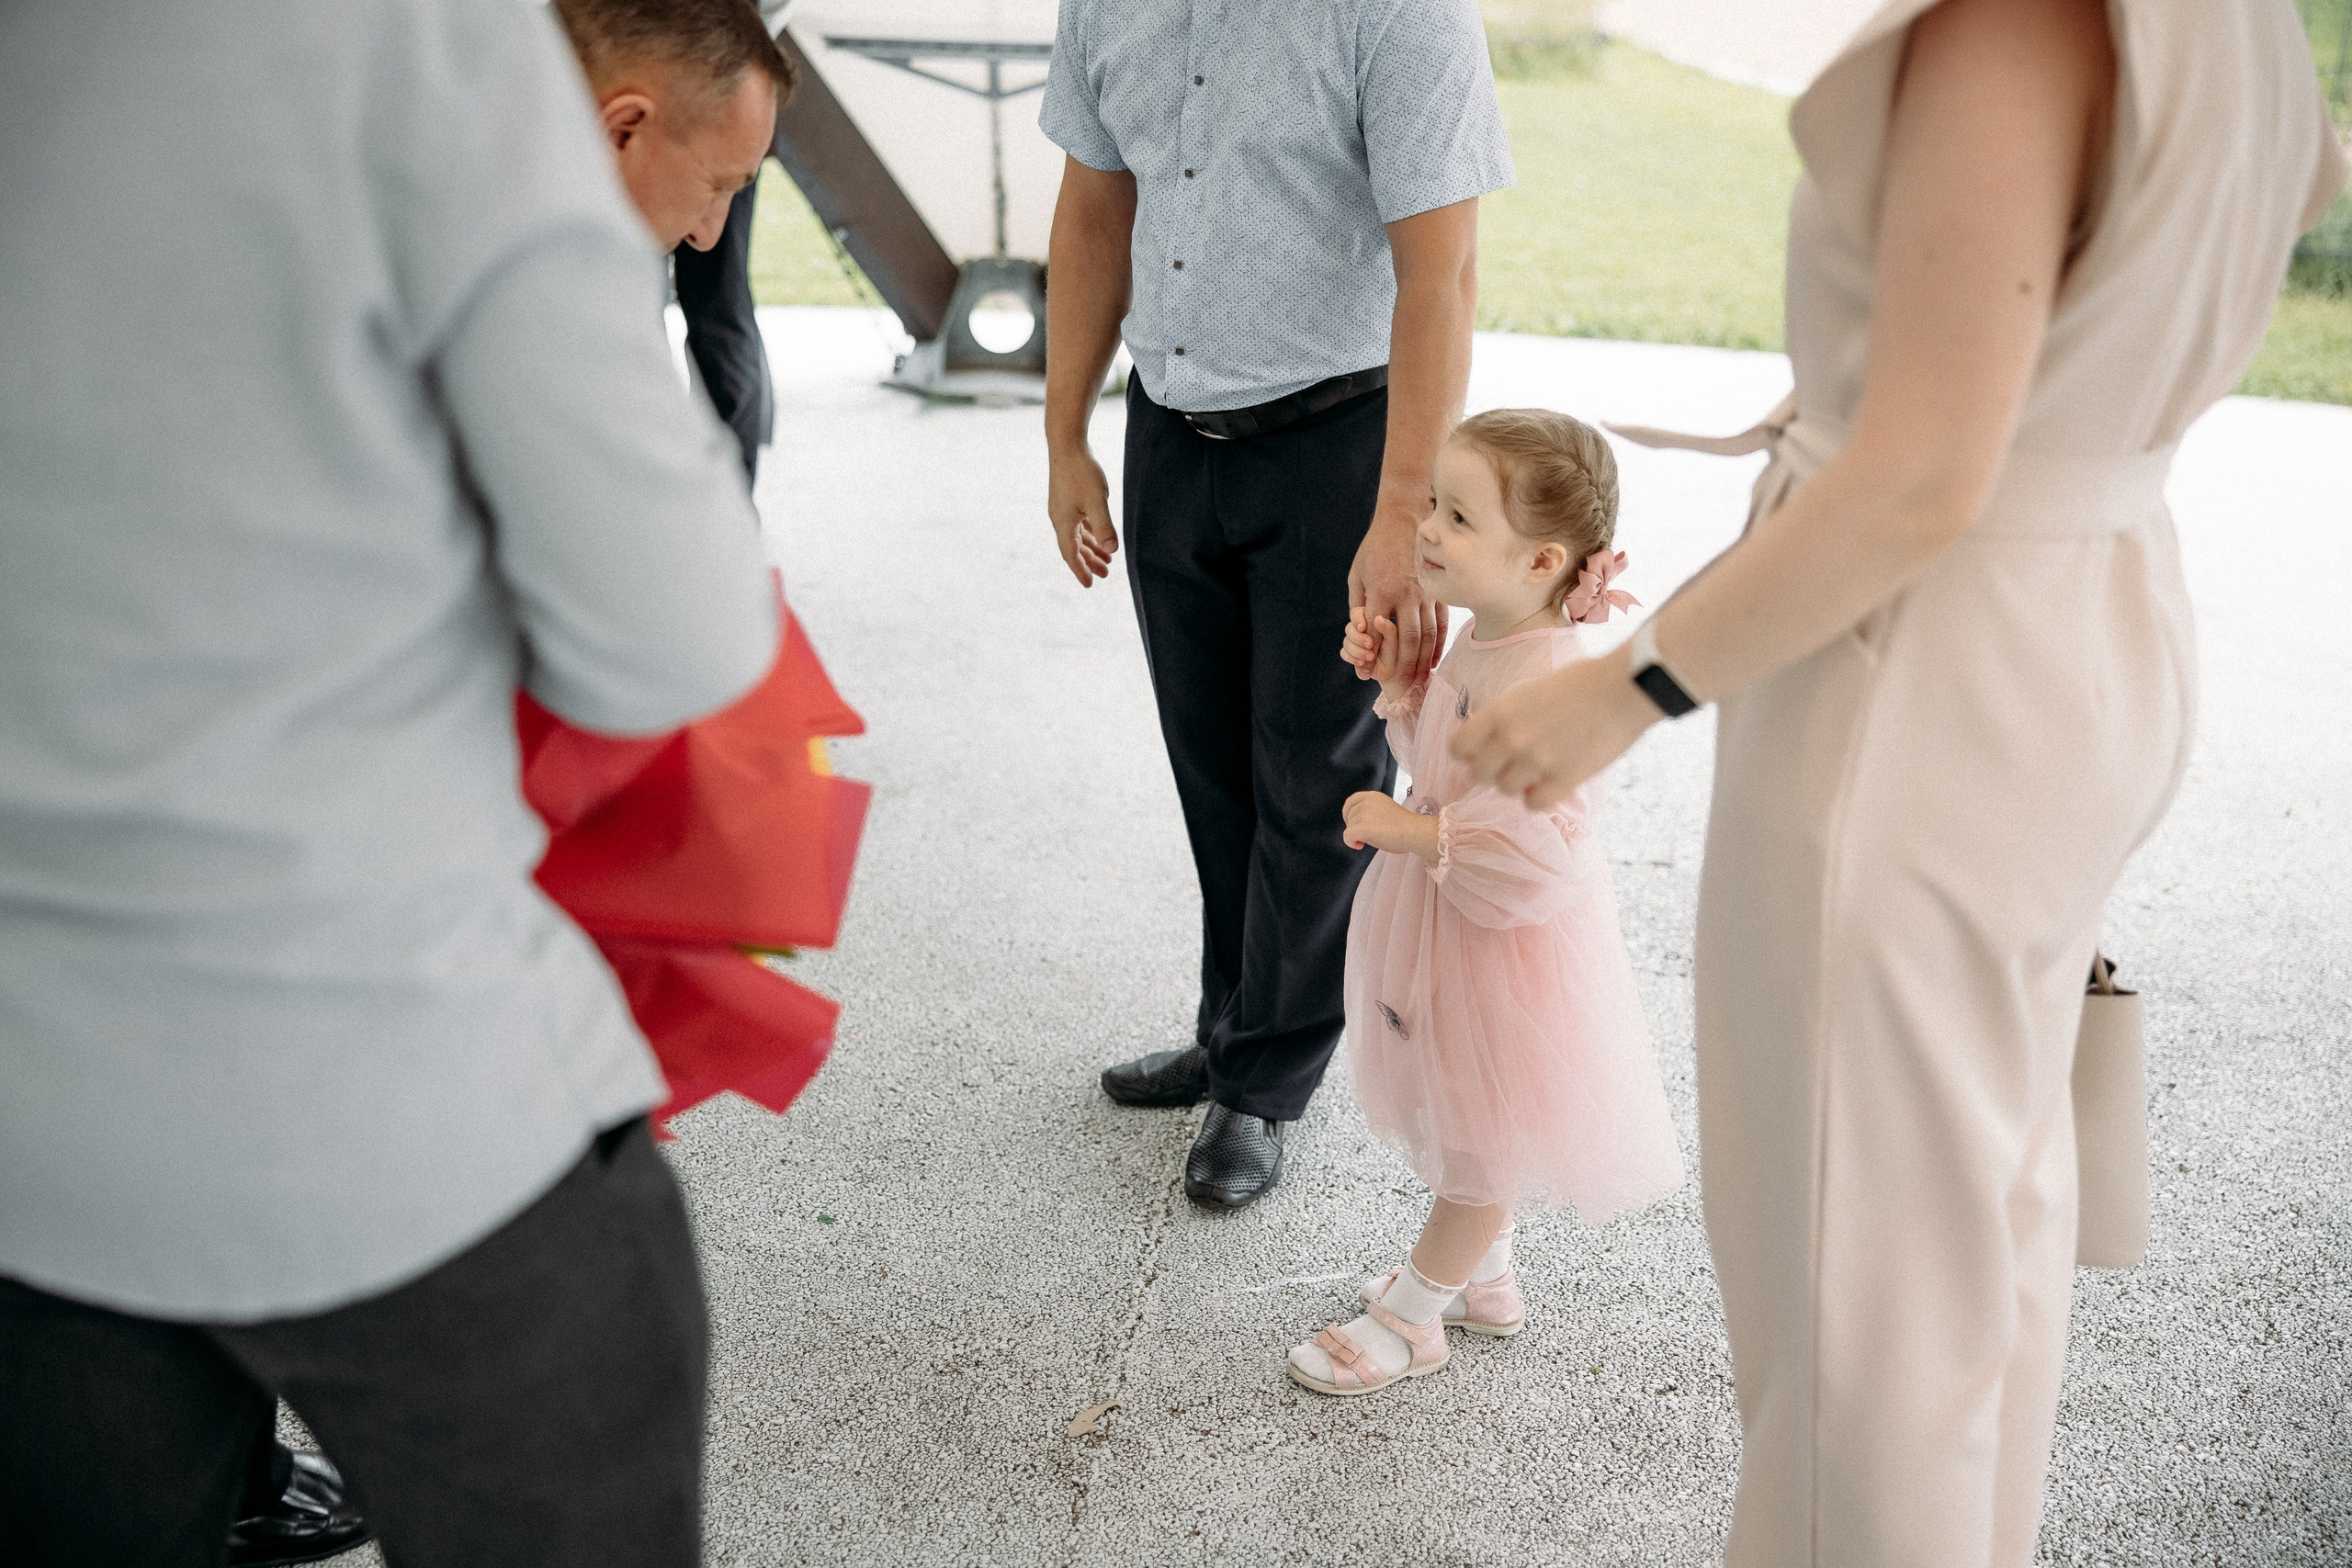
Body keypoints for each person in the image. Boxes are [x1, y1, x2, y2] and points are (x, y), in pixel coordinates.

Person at [1449, 0, 2347, 1561]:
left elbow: (1926, 469)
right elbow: (2281, 188)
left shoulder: (2014, 27)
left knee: (1859, 1298)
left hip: (1926, 668)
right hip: (2090, 605)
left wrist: (1630, 683)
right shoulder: (2237, 24)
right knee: (1978, 1228)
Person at [0, 0, 788, 1563]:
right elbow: (675, 632)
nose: (712, 232)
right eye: (713, 191)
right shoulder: (426, 48)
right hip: (384, 1089)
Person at [1038, 0, 1514, 1209]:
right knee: (1215, 771)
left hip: (1338, 446)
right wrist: (1064, 436)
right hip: (1167, 434)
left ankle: (1264, 1080)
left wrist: (1402, 515)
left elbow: (1443, 274)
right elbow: (1093, 211)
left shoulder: (1399, 14)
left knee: (1314, 784)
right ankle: (1235, 1025)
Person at [1285, 410, 1684, 1397]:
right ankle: (1485, 1281)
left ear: (1543, 560)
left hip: (1502, 938)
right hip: (1449, 916)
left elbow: (1541, 849)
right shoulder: (1486, 632)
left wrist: (1409, 829)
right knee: (1462, 1104)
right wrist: (1401, 683)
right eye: (1433, 504)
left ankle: (1412, 1316)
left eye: (1457, 518)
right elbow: (1448, 759)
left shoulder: (1552, 675)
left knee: (1482, 1143)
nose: (1425, 529)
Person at [667, 0, 800, 483]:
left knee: (718, 307)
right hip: (699, 75)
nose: (705, 228)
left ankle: (730, 497)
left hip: (723, 76)